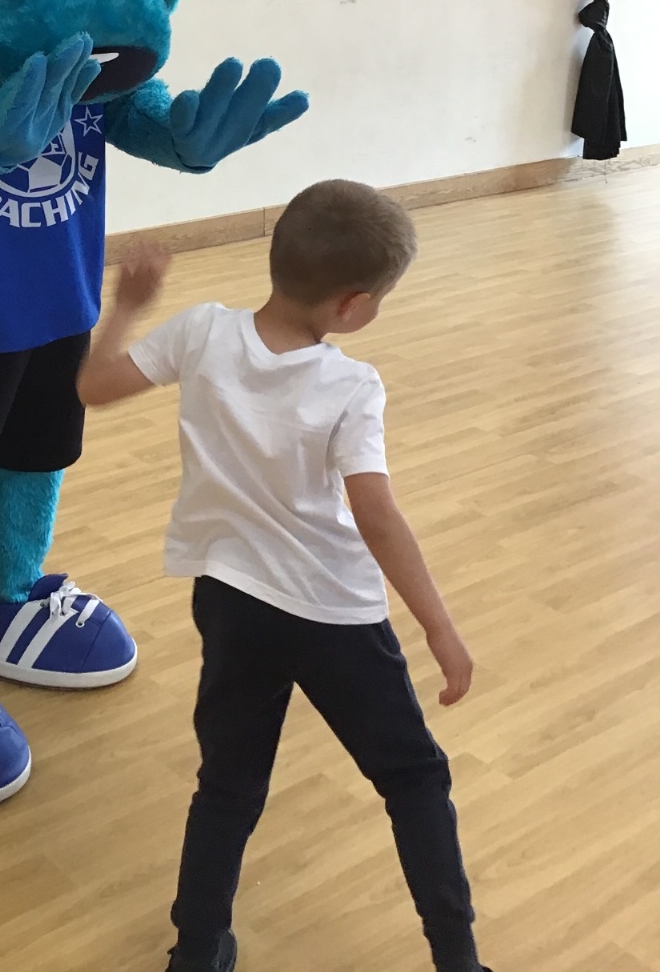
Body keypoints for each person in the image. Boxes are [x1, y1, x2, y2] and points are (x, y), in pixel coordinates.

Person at [77, 179, 491, 972]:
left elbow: (93, 387)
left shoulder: (201, 330)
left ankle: (197, 951)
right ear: (353, 306)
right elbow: (377, 515)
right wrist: (439, 627)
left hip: (230, 603)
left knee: (228, 786)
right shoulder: (352, 385)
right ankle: (459, 960)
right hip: (334, 614)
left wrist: (125, 307)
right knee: (414, 779)